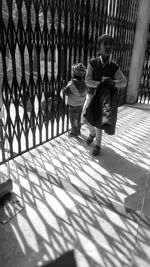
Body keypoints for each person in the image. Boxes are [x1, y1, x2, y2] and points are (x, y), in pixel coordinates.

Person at [82, 33, 127, 156]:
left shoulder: (114, 67)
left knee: (100, 122)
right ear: (99, 47)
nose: (108, 46)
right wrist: (101, 84)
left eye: (110, 44)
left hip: (104, 99)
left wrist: (112, 82)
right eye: (105, 43)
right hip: (91, 96)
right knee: (84, 118)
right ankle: (91, 133)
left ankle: (97, 145)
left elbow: (123, 82)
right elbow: (87, 81)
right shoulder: (92, 63)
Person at [63, 63, 87, 137]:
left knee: (73, 119)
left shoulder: (71, 84)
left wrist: (64, 86)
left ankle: (74, 132)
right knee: (79, 118)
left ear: (74, 73)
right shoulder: (84, 83)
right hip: (81, 104)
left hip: (73, 105)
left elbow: (66, 93)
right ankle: (78, 130)